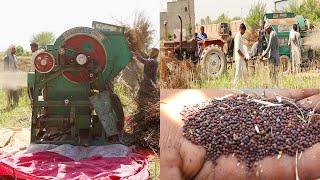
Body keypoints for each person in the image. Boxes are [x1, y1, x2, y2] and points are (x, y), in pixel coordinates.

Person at [3, 45, 20, 109]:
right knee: (9, 91)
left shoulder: (15, 57)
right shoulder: (6, 58)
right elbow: (5, 69)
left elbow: (16, 66)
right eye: (14, 49)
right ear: (10, 50)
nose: (15, 50)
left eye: (15, 49)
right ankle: (9, 104)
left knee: (16, 90)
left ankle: (15, 104)